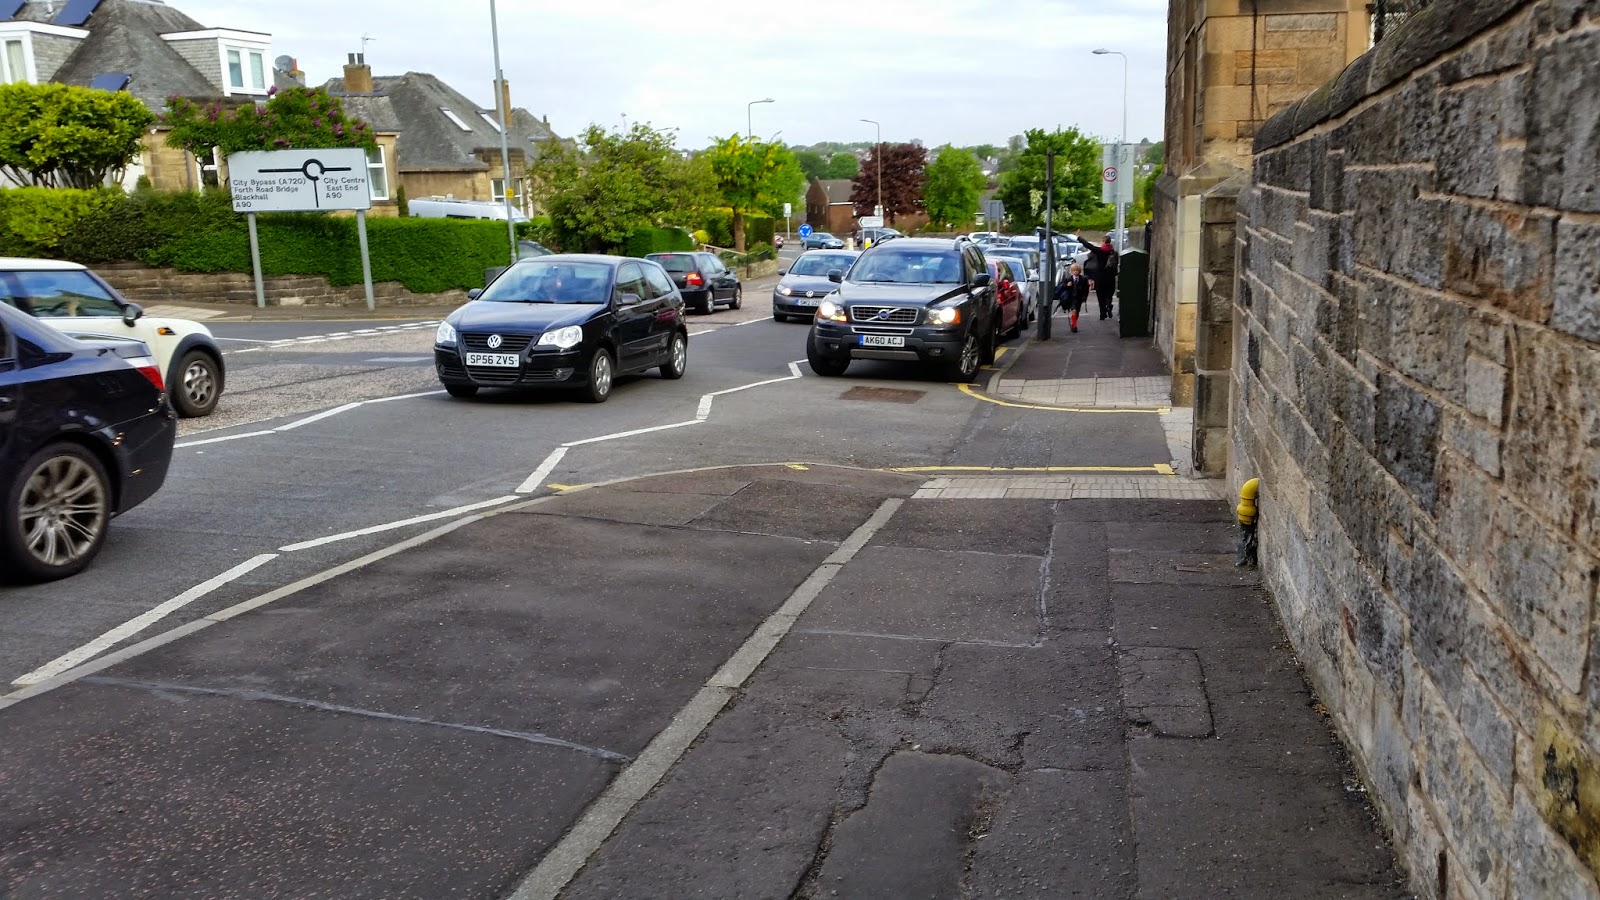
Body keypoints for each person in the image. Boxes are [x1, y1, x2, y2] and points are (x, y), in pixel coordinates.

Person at [1080, 236, 1118, 320]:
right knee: (1109, 293)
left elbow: (1088, 245)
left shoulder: (1099, 251)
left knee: (1100, 295)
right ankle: (1108, 304)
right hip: (1110, 277)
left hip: (1100, 276)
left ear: (1103, 241)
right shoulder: (1114, 253)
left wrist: (1079, 238)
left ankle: (1102, 314)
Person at [1058, 263, 1091, 333]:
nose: (1075, 272)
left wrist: (1084, 297)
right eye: (1074, 270)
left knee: (1077, 312)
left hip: (1079, 298)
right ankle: (1074, 325)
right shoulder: (1068, 279)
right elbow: (1062, 287)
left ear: (1079, 271)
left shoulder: (1083, 279)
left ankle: (1074, 322)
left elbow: (1086, 289)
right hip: (1071, 298)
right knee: (1074, 311)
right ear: (1071, 271)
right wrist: (1067, 285)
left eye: (1077, 270)